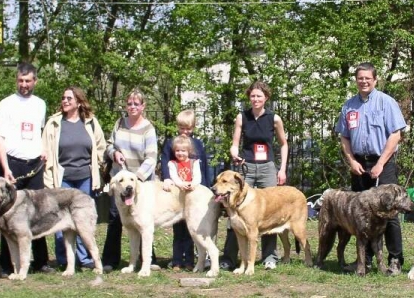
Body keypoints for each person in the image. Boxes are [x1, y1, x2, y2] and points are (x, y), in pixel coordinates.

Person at [335, 62, 406, 275]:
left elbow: (396, 135)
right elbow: (344, 137)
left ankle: (395, 260)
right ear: (356, 80)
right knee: (360, 215)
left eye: (368, 78)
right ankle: (363, 261)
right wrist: (351, 161)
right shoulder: (348, 106)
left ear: (375, 80)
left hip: (382, 163)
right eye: (360, 78)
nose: (364, 81)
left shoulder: (387, 102)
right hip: (359, 165)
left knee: (390, 213)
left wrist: (381, 164)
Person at [0, 62, 54, 277]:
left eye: (28, 81)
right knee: (6, 214)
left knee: (39, 211)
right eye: (20, 80)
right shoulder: (6, 104)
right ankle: (8, 264)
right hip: (12, 165)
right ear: (16, 80)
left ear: (35, 81)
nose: (24, 84)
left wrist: (43, 149)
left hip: (34, 165)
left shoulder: (40, 104)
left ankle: (41, 261)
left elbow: (39, 132)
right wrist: (5, 167)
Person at [219, 80, 289, 271]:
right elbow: (235, 143)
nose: (255, 99)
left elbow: (283, 144)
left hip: (267, 167)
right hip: (246, 167)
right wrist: (233, 151)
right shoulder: (242, 117)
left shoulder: (275, 119)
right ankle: (229, 258)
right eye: (252, 96)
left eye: (259, 96)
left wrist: (281, 169)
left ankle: (269, 257)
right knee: (234, 213)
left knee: (268, 212)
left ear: (266, 97)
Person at [42, 86, 107, 269]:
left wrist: (97, 166)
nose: (65, 101)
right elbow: (45, 151)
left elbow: (101, 146)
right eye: (63, 98)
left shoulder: (91, 122)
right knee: (61, 220)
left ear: (78, 102)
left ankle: (85, 259)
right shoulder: (54, 123)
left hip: (85, 177)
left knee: (82, 219)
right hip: (62, 178)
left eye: (69, 98)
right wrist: (48, 180)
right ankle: (64, 260)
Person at [101, 88, 159, 273]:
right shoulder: (120, 123)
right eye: (129, 103)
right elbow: (108, 145)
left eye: (136, 104)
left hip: (139, 183)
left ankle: (148, 260)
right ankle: (110, 260)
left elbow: (151, 157)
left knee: (143, 221)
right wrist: (114, 153)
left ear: (143, 106)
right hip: (119, 180)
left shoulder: (148, 128)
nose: (132, 107)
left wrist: (137, 180)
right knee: (115, 219)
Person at [161, 110, 208, 271]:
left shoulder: (199, 145)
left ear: (193, 127)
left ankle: (189, 260)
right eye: (181, 128)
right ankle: (176, 261)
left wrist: (205, 189)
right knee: (178, 228)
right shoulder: (170, 143)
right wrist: (167, 179)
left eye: (188, 128)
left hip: (194, 193)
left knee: (191, 228)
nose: (185, 131)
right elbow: (165, 161)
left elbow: (204, 168)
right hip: (176, 193)